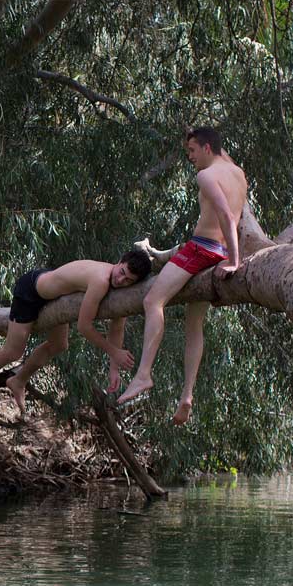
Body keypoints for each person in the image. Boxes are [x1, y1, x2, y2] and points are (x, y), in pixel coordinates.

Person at [116, 127, 245, 423]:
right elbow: (237, 216)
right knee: (194, 323)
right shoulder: (237, 172)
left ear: (207, 148)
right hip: (220, 251)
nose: (190, 158)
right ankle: (187, 395)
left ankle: (144, 374)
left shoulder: (206, 175)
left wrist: (236, 262)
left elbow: (225, 214)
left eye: (192, 151)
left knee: (152, 301)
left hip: (204, 249)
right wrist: (231, 255)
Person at [0, 248, 153, 422]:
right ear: (119, 261)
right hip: (31, 291)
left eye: (128, 280)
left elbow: (117, 326)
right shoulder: (101, 280)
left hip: (56, 300)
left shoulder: (118, 289)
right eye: (122, 272)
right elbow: (84, 327)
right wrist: (114, 352)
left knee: (59, 345)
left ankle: (18, 380)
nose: (120, 281)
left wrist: (114, 369)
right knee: (13, 351)